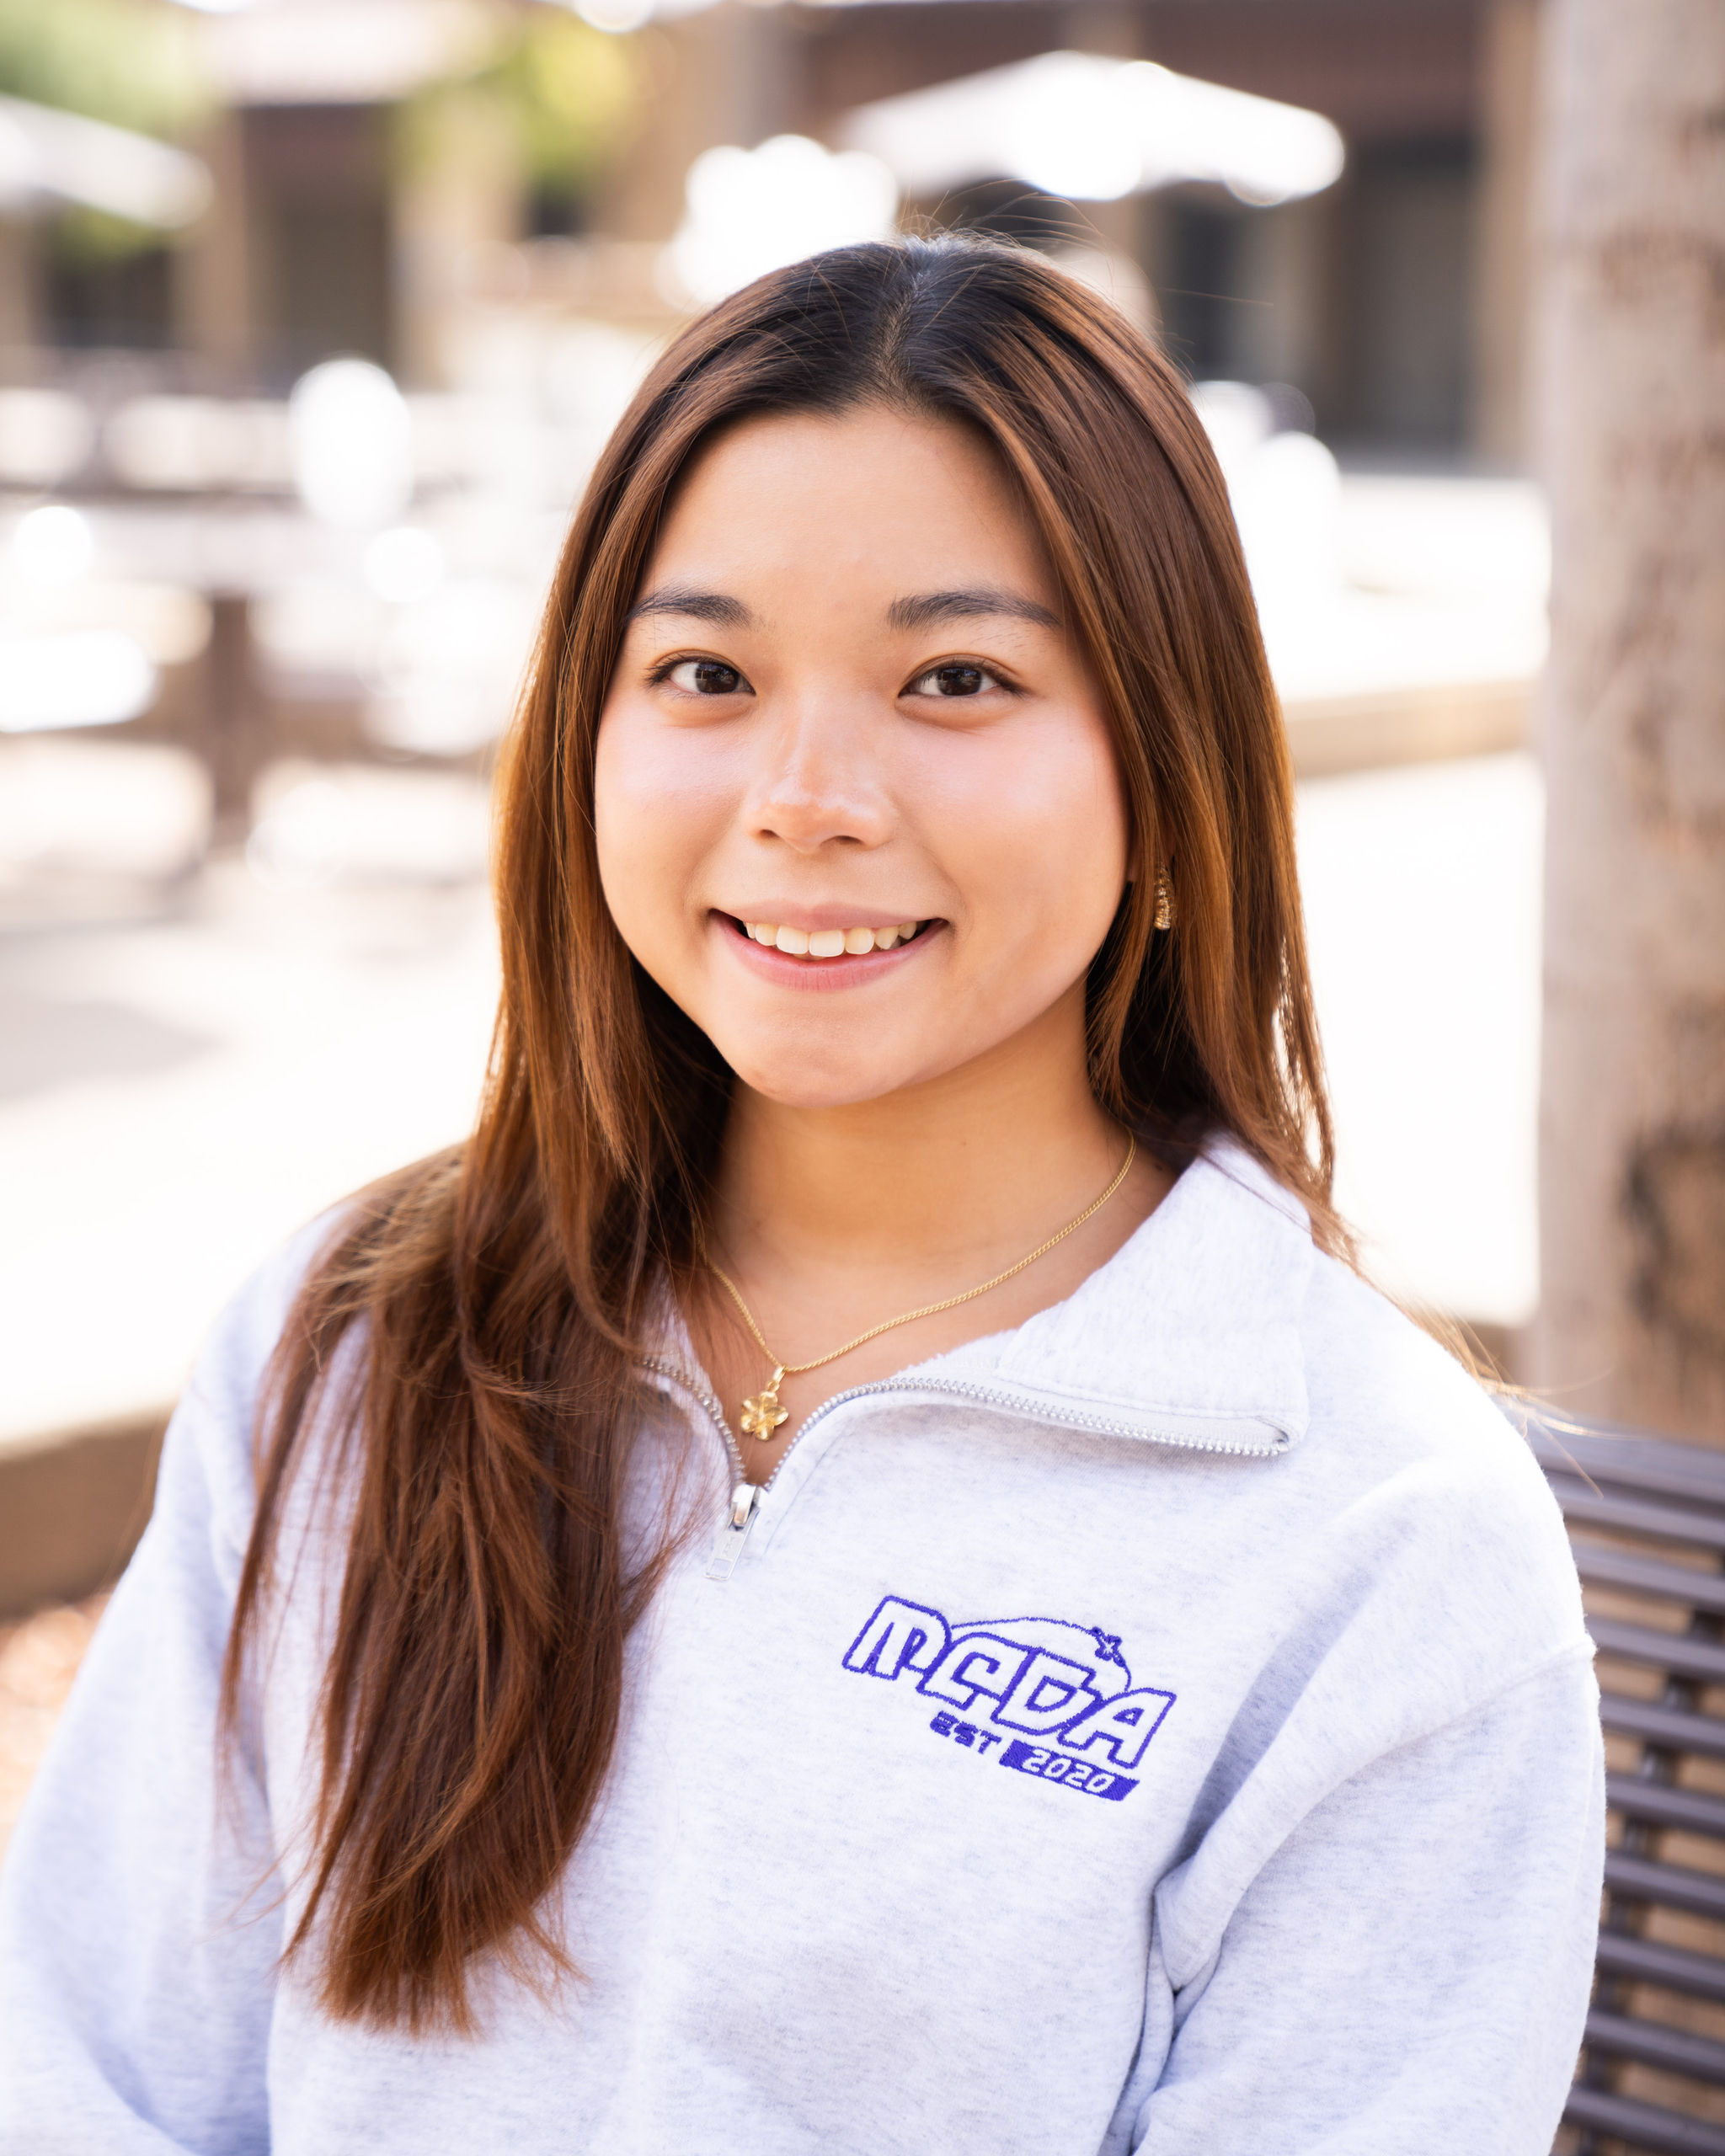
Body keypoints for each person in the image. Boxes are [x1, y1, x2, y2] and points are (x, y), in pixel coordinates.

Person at [0, 235, 1601, 2154]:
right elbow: (90, 2067)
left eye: (955, 676)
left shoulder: (1376, 1534)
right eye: (704, 671)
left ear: (1170, 772)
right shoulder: (355, 1338)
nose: (807, 791)